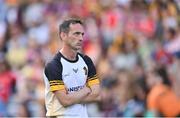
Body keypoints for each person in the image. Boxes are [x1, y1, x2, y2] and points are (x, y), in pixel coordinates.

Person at [43, 19, 101, 117]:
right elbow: (65, 101)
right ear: (63, 35)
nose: (81, 38)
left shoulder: (86, 61)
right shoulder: (54, 65)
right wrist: (85, 90)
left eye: (82, 34)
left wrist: (71, 97)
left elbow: (97, 95)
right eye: (76, 34)